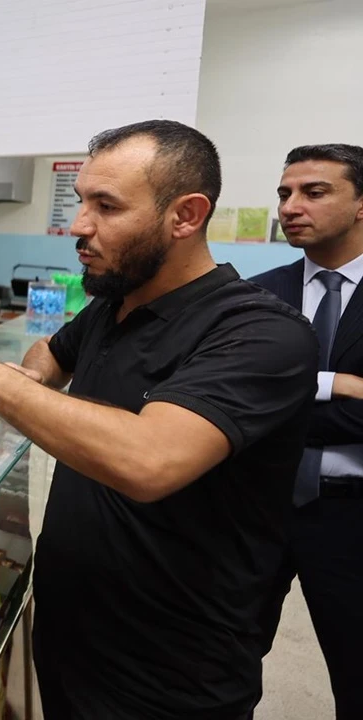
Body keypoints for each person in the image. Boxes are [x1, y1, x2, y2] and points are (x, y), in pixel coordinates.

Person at [0, 120, 318, 719]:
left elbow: (149, 460)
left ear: (185, 216)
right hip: (72, 632)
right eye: (82, 201)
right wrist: (30, 384)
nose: (79, 225)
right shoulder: (113, 304)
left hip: (171, 671)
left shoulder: (261, 333)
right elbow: (49, 355)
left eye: (106, 206)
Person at [251, 144, 363, 717]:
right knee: (218, 663)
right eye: (284, 193)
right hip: (254, 508)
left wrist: (277, 404)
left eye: (314, 192)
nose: (291, 207)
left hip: (352, 515)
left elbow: (257, 406)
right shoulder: (255, 295)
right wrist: (332, 383)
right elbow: (234, 397)